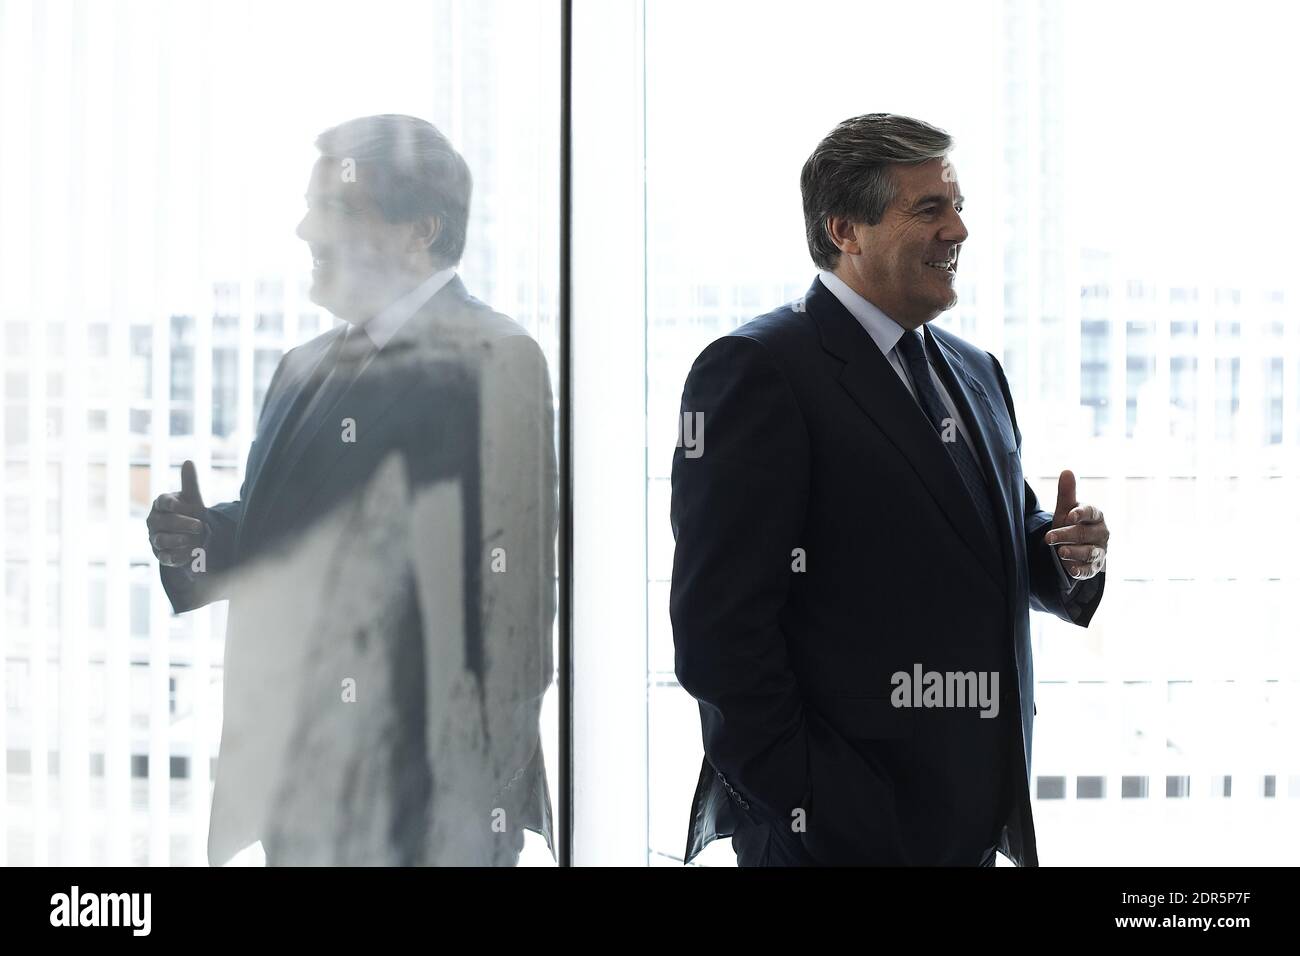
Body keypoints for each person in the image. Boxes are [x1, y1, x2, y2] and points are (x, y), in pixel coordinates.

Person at [669, 113, 1109, 867]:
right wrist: (822, 804)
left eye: (959, 205)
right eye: (930, 208)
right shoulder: (756, 369)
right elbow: (719, 636)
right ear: (846, 228)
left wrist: (1063, 551)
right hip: (836, 835)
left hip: (972, 818)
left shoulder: (975, 370)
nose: (960, 230)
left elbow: (990, 537)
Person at [146, 114, 556, 865]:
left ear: (418, 231)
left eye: (331, 207)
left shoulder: (497, 358)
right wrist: (202, 540)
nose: (304, 229)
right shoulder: (302, 366)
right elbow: (288, 537)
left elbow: (517, 610)